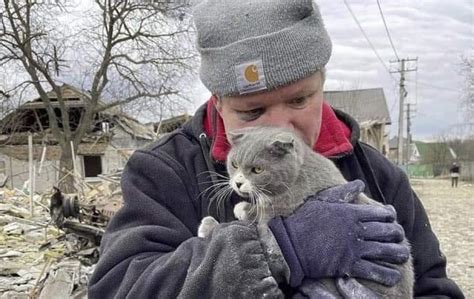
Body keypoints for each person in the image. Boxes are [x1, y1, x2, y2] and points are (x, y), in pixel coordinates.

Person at [88, 1, 464, 298]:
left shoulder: (378, 177)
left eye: (300, 100)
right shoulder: (164, 172)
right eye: (252, 111)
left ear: (322, 82)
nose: (280, 129)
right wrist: (274, 248)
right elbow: (118, 288)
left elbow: (434, 290)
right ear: (218, 102)